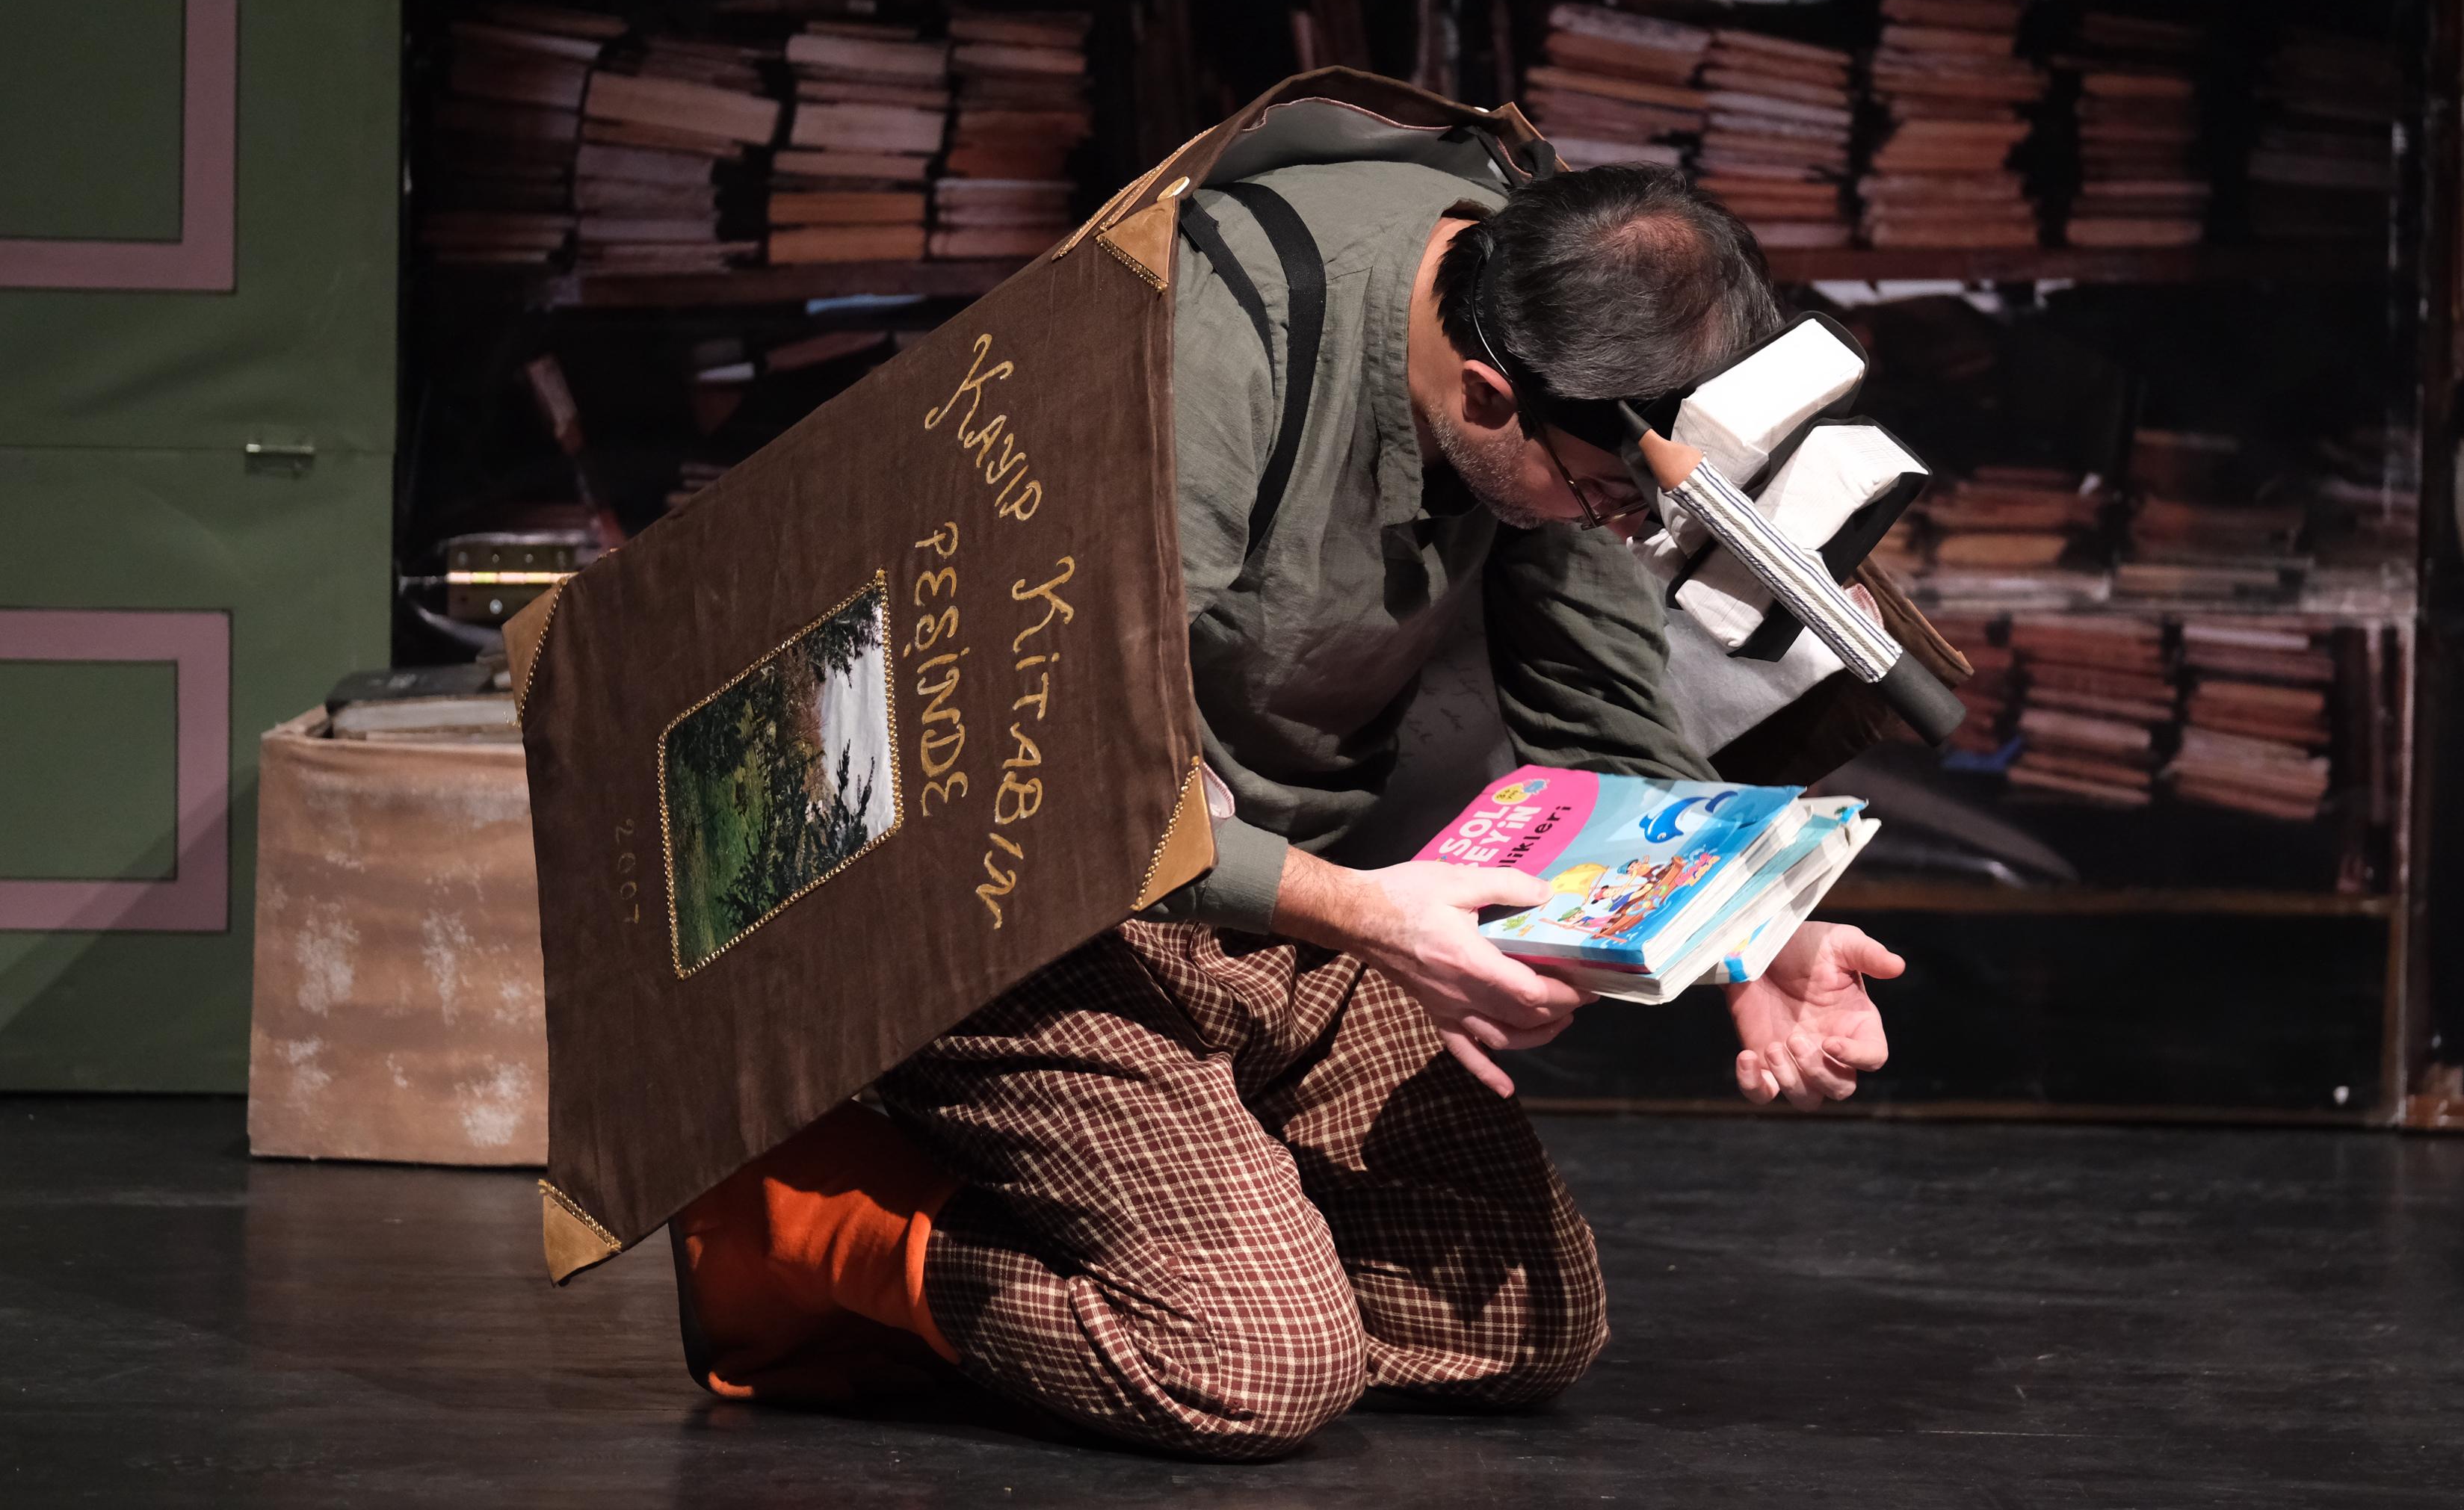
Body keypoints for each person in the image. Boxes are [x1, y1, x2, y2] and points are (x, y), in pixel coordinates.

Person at [670, 159, 1909, 1458]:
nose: (1617, 526)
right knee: (1255, 1368)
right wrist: (1368, 917)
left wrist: (1746, 931)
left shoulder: (1562, 358)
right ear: (1488, 396)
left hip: (1289, 905)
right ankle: (802, 1224)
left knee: (1526, 1326)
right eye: (1604, 498)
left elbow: (1597, 708)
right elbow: (1051, 784)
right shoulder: (1209, 361)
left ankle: (1183, 1232)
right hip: (1033, 918)